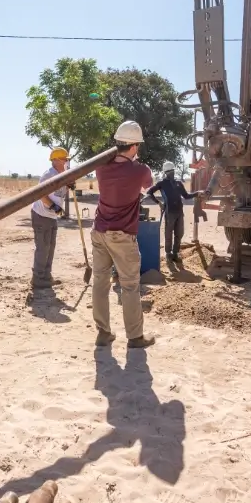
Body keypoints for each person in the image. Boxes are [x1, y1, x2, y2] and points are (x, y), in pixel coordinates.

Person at [92, 121, 156, 349]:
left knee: (99, 283)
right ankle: (135, 337)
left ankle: (103, 333)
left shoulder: (101, 167)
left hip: (99, 231)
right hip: (122, 235)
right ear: (134, 146)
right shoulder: (140, 170)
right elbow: (147, 186)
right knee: (129, 286)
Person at [31, 147, 70, 289]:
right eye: (65, 159)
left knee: (51, 247)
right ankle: (38, 278)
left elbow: (62, 190)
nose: (67, 161)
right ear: (56, 160)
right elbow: (40, 194)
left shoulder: (63, 174)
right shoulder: (49, 175)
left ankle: (46, 276)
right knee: (43, 247)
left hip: (52, 217)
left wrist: (70, 184)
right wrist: (53, 206)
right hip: (42, 215)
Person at [146, 161, 200, 263]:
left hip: (179, 212)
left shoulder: (178, 183)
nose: (172, 173)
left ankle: (175, 253)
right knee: (168, 234)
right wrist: (159, 203)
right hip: (169, 212)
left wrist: (197, 194)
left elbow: (186, 196)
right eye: (169, 171)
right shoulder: (161, 184)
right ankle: (168, 254)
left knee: (179, 234)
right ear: (165, 172)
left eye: (173, 171)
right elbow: (149, 192)